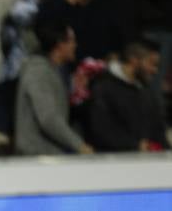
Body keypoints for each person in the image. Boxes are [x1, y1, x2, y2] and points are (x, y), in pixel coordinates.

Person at [15, 19, 90, 156]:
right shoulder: (38, 71)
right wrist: (80, 146)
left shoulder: (53, 70)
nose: (75, 45)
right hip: (36, 158)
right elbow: (48, 118)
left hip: (49, 155)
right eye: (72, 40)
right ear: (60, 44)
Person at [89, 38, 165, 151]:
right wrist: (135, 145)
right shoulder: (103, 87)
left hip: (150, 160)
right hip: (114, 160)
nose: (155, 70)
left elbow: (158, 130)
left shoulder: (146, 91)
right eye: (151, 64)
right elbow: (101, 130)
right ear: (133, 60)